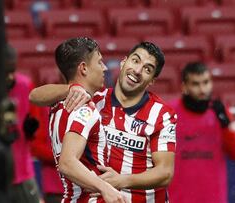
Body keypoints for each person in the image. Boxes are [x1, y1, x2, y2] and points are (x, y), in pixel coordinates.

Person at [29, 41, 177, 203]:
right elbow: (35, 96)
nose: (137, 70)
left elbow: (165, 173)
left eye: (147, 69)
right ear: (123, 62)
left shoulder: (161, 114)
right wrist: (70, 88)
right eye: (135, 61)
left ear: (152, 81)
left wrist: (122, 180)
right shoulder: (93, 99)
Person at [47, 37, 126, 203]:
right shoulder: (84, 110)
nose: (104, 68)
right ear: (83, 68)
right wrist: (106, 189)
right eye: (99, 62)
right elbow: (67, 163)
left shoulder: (57, 106)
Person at [167, 62, 235, 203]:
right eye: (195, 84)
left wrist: (226, 126)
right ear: (184, 87)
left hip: (213, 198)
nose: (202, 89)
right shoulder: (168, 113)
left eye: (206, 82)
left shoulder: (220, 112)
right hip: (177, 198)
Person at [5, 44, 42, 203]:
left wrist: (32, 129)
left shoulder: (26, 85)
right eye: (5, 72)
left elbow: (35, 130)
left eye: (12, 71)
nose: (10, 77)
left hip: (23, 173)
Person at [31, 106, 64, 203]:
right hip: (54, 188)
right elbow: (36, 146)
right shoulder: (43, 106)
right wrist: (66, 157)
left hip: (82, 186)